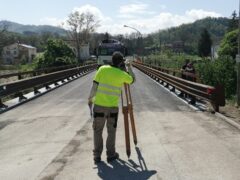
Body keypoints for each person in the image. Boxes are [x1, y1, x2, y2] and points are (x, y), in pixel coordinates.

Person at [88, 51, 135, 164]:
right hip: (112, 108)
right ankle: (111, 155)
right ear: (120, 63)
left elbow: (94, 86)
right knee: (111, 131)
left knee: (97, 131)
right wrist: (129, 67)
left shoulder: (102, 69)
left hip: (99, 106)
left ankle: (97, 156)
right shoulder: (122, 74)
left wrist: (90, 100)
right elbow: (132, 79)